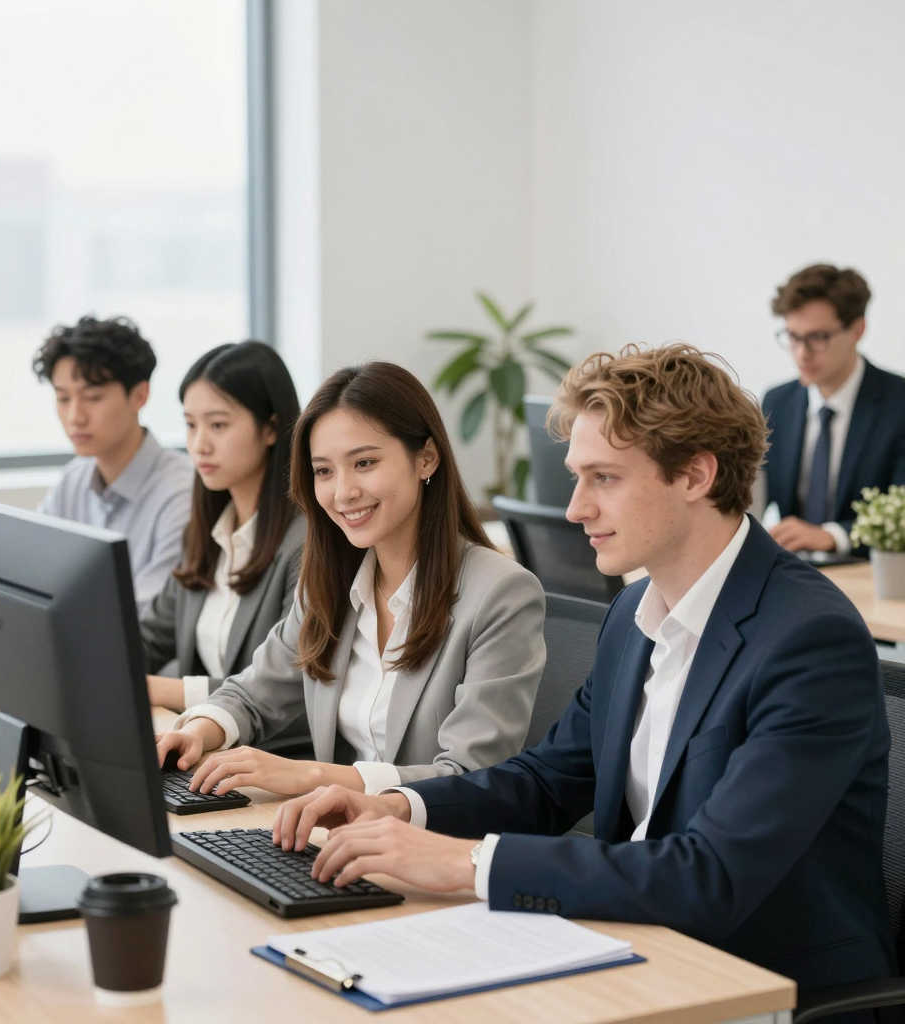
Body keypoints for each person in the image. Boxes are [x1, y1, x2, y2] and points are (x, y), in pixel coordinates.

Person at [275, 343, 894, 1005]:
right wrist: (397, 807)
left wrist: (464, 862)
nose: (575, 510)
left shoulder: (807, 638)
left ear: (695, 476)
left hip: (761, 988)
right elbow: (546, 783)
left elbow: (709, 876)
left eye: (603, 478)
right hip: (635, 956)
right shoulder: (634, 613)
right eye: (576, 477)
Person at [155, 361, 546, 798]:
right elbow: (252, 695)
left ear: (426, 458)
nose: (343, 492)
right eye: (324, 471)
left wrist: (315, 777)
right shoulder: (332, 583)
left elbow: (472, 775)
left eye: (364, 463)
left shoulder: (500, 593)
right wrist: (199, 731)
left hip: (430, 847)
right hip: (336, 835)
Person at [141, 341, 311, 755]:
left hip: (276, 761)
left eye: (218, 425)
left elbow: (288, 688)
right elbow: (148, 637)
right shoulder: (210, 533)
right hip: (209, 754)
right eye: (190, 425)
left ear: (271, 428)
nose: (199, 445)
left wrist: (160, 689)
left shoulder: (306, 542)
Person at [33, 316, 192, 614]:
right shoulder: (74, 479)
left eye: (93, 397)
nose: (74, 417)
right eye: (63, 398)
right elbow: (31, 569)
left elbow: (149, 616)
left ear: (139, 396)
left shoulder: (181, 493)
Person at [763, 264, 905, 554]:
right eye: (792, 336)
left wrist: (834, 536)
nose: (802, 353)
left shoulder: (899, 402)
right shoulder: (777, 402)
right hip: (793, 575)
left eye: (817, 338)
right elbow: (750, 499)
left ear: (857, 329)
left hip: (870, 576)